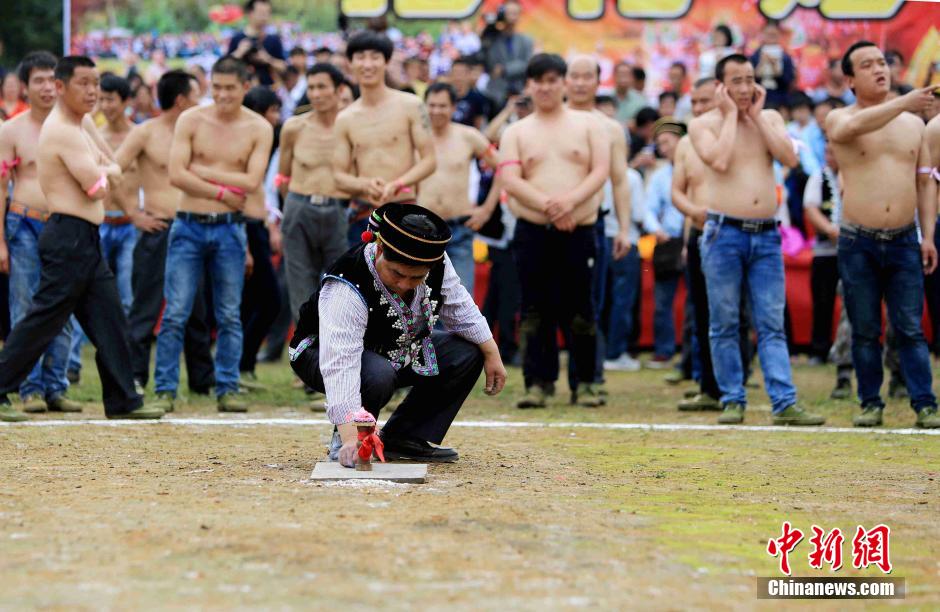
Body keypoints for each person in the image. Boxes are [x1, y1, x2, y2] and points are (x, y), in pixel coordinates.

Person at [0, 56, 163, 422]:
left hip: (85, 238)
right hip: (67, 236)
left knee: (110, 318)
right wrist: (111, 170)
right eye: (83, 84)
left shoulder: (81, 123)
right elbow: (97, 186)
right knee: (41, 320)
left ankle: (123, 399)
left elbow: (107, 164)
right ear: (61, 87)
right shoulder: (61, 130)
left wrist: (108, 168)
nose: (92, 92)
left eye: (96, 83)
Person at [289, 203, 506, 466]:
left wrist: (491, 353)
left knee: (468, 352)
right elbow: (340, 363)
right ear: (379, 249)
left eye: (415, 278)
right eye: (397, 273)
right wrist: (349, 437)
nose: (404, 283)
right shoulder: (346, 287)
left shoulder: (435, 263)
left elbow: (460, 307)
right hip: (318, 353)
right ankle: (352, 439)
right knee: (377, 374)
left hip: (394, 348)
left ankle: (404, 438)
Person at [688, 53, 824, 426]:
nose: (745, 88)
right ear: (721, 86)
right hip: (722, 233)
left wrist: (759, 118)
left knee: (771, 322)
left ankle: (784, 401)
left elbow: (789, 160)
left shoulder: (772, 117)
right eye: (737, 81)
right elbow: (718, 160)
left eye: (750, 80)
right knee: (725, 321)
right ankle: (733, 398)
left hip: (765, 235)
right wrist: (732, 115)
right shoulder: (703, 123)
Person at [825, 41, 939, 428]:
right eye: (868, 65)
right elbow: (856, 126)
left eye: (883, 62)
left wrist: (927, 235)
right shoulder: (840, 118)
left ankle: (924, 403)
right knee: (865, 328)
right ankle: (870, 402)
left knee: (909, 327)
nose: (880, 69)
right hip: (858, 240)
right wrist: (903, 103)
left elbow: (926, 182)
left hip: (906, 238)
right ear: (850, 79)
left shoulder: (914, 125)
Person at [153, 56, 273, 414]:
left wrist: (200, 170)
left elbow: (252, 182)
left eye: (230, 88)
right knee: (175, 312)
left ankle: (228, 387)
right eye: (216, 87)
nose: (221, 95)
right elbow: (176, 174)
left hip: (230, 229)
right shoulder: (191, 119)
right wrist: (221, 189)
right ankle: (164, 389)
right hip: (188, 223)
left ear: (244, 87)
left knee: (229, 313)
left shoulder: (258, 127)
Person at [499, 53, 610, 408]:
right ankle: (538, 382)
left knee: (581, 308)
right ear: (529, 86)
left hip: (579, 229)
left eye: (552, 80)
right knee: (534, 309)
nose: (545, 87)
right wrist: (551, 205)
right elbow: (511, 179)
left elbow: (599, 171)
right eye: (538, 81)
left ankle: (588, 382)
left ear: (562, 82)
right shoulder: (516, 131)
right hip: (534, 231)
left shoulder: (591, 125)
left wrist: (570, 204)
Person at [114, 70, 215, 394]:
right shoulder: (146, 133)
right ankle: (136, 376)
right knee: (145, 306)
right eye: (197, 95)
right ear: (182, 100)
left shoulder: (200, 132)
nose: (202, 101)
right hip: (157, 227)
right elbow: (113, 172)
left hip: (193, 226)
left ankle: (202, 381)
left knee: (197, 309)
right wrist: (134, 215)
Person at [0, 51, 81, 417]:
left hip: (65, 224)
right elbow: (1, 188)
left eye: (53, 80)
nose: (48, 87)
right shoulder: (11, 130)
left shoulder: (73, 127)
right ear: (25, 87)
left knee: (65, 309)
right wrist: (0, 240)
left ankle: (56, 386)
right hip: (23, 223)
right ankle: (29, 388)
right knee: (25, 309)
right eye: (39, 81)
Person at [67, 73, 143, 381]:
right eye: (102, 99)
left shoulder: (138, 136)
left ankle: (123, 368)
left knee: (125, 298)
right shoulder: (90, 134)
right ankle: (72, 365)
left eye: (111, 99)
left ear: (125, 102)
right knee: (79, 295)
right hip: (99, 224)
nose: (105, 105)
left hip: (128, 227)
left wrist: (139, 213)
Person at [332, 32, 437, 246]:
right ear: (350, 63)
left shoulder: (411, 105)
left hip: (403, 209)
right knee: (362, 278)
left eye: (375, 57)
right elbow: (338, 176)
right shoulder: (345, 118)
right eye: (360, 57)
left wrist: (398, 184)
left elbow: (429, 161)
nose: (367, 64)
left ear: (386, 61)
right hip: (362, 214)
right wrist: (365, 184)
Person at [278, 63, 351, 325]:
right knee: (300, 287)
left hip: (338, 208)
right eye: (311, 87)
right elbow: (282, 175)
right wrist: (291, 208)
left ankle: (337, 356)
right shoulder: (294, 127)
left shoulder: (351, 126)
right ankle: (305, 357)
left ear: (339, 89)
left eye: (322, 87)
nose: (316, 94)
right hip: (299, 204)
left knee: (342, 285)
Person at [419, 82, 499, 295]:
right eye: (432, 105)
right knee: (419, 305)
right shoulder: (416, 137)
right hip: (420, 232)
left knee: (460, 303)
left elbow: (503, 168)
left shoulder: (468, 135)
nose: (436, 111)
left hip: (459, 231)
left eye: (443, 105)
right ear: (424, 106)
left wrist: (487, 210)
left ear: (454, 108)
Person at [238, 86, 283, 387]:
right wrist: (247, 247)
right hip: (244, 226)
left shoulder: (268, 144)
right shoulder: (243, 144)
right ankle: (240, 366)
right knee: (265, 300)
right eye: (272, 111)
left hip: (257, 225)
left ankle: (242, 366)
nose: (277, 118)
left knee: (255, 301)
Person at [644, 118, 686, 369]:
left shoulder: (696, 169)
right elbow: (648, 209)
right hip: (668, 240)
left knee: (697, 302)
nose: (664, 147)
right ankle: (664, 351)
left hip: (693, 238)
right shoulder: (660, 177)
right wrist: (656, 229)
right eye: (660, 143)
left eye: (667, 142)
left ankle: (692, 356)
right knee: (662, 302)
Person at [803, 144, 841, 366]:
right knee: (822, 301)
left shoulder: (855, 174)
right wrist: (829, 229)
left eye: (833, 152)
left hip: (851, 250)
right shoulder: (818, 178)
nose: (830, 156)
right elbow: (811, 208)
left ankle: (849, 349)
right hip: (825, 250)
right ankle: (819, 349)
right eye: (826, 152)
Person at [483, 0, 534, 108]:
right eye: (508, 13)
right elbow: (489, 64)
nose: (512, 18)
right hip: (495, 95)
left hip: (519, 92)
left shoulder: (526, 40)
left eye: (515, 13)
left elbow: (528, 64)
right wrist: (489, 29)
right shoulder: (493, 38)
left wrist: (505, 69)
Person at [227, 0, 287, 87]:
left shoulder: (274, 40)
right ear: (250, 13)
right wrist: (239, 53)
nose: (265, 17)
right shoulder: (237, 38)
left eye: (267, 13)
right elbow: (225, 66)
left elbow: (284, 67)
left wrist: (267, 59)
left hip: (267, 91)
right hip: (242, 90)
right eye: (261, 13)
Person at [749, 20, 795, 109]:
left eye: (774, 35)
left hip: (779, 98)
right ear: (762, 34)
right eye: (768, 34)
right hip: (758, 98)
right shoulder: (754, 56)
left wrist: (775, 66)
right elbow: (751, 79)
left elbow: (788, 81)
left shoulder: (786, 57)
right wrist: (762, 63)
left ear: (779, 35)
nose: (771, 37)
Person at [449, 56, 490, 129]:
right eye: (455, 73)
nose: (458, 77)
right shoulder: (446, 96)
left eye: (461, 73)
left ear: (468, 75)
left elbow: (478, 124)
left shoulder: (477, 98)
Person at [611, 61, 647, 127]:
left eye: (626, 74)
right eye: (620, 74)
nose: (623, 77)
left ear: (632, 77)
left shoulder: (640, 100)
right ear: (614, 76)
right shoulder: (606, 98)